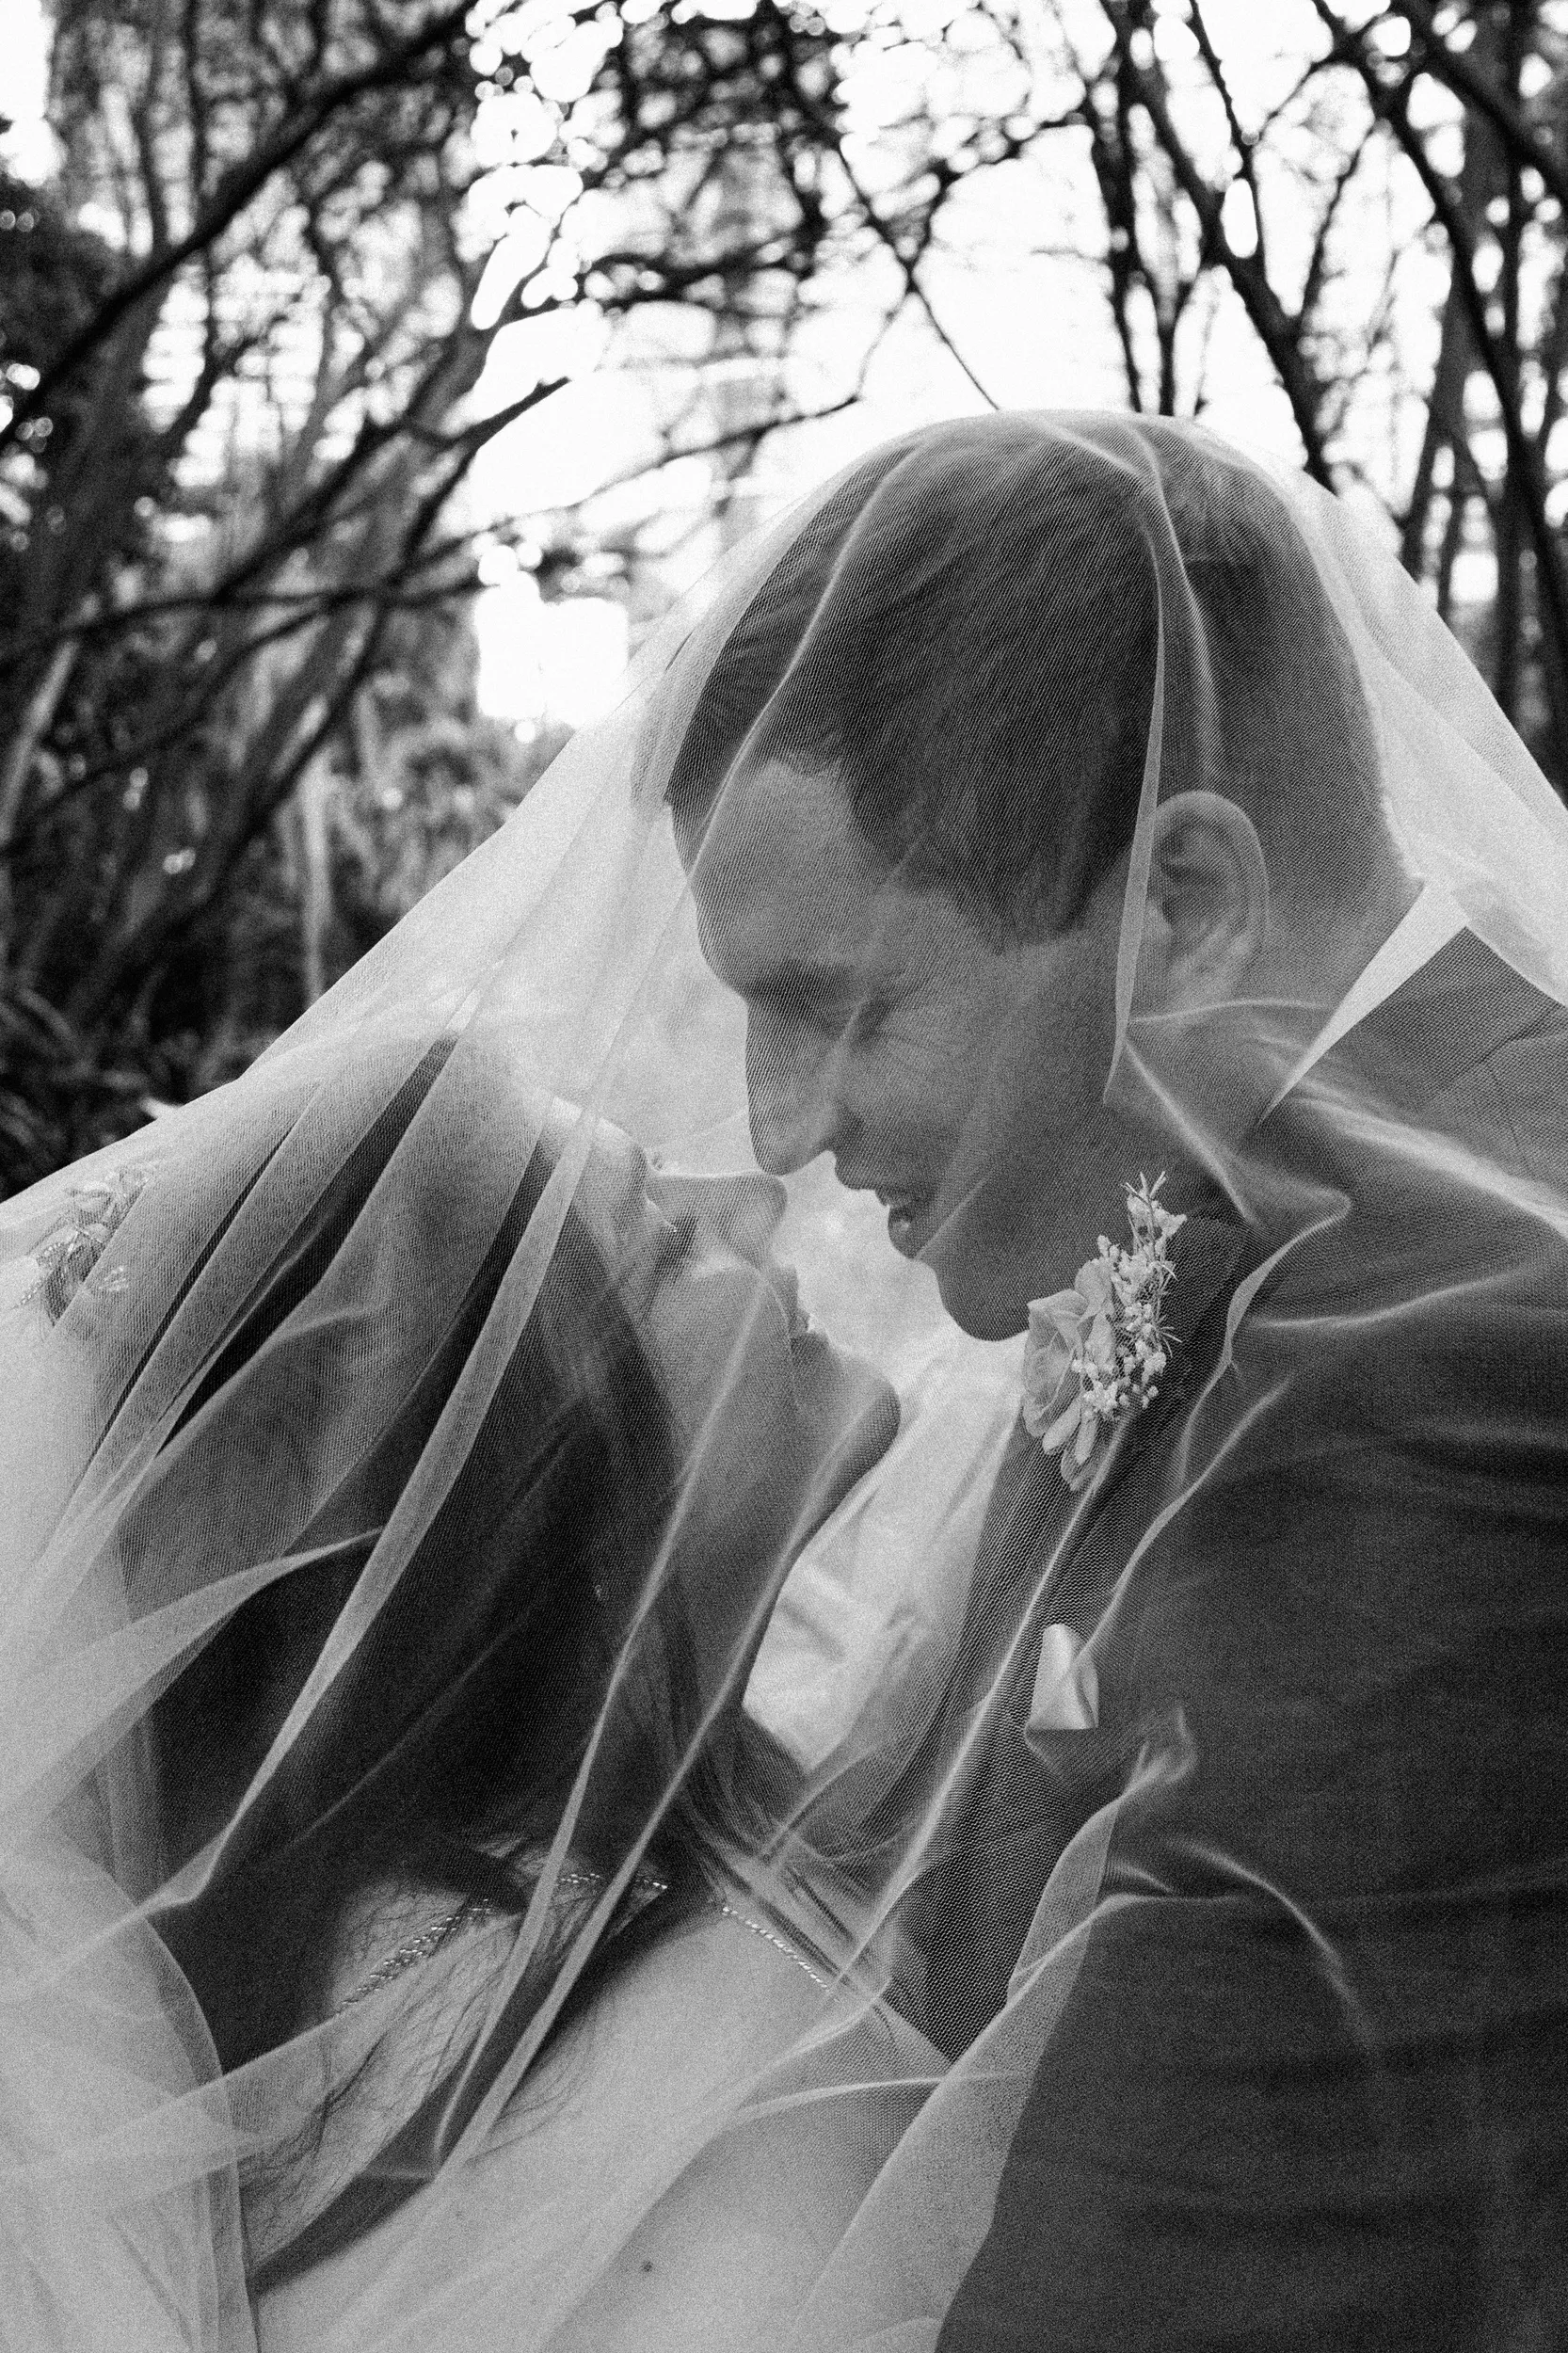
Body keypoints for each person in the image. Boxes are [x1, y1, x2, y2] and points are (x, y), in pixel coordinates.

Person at [665, 413, 1568, 2348]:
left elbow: (1194, 2282)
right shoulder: (1226, 1233)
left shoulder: (1438, 1372)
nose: (775, 1123)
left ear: (1178, 906)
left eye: (838, 1004)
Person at [0, 1032, 940, 2352]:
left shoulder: (250, 2026)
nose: (757, 1201)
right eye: (663, 1243)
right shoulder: (750, 2059)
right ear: (501, 1498)